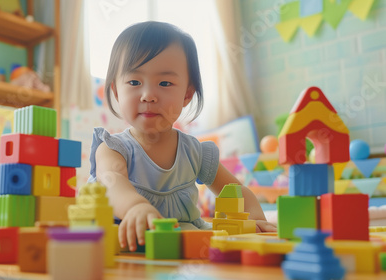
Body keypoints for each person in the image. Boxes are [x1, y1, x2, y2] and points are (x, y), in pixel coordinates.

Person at [88, 21, 276, 252]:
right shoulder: (113, 148)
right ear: (116, 91)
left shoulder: (194, 152)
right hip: (129, 241)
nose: (148, 95)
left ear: (187, 94)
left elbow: (236, 192)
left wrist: (255, 218)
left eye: (165, 83)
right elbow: (112, 183)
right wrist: (135, 207)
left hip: (183, 241)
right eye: (134, 82)